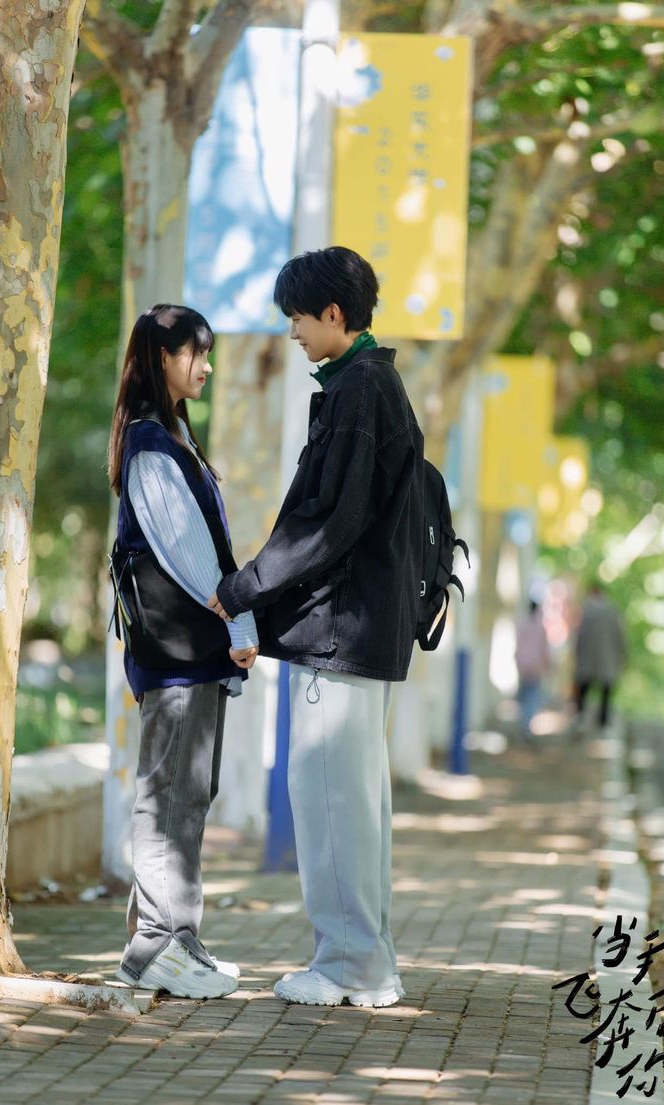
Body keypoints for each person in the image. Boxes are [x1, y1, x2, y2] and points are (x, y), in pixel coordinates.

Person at [209, 246, 425, 1008]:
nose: (292, 332)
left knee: (331, 799)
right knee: (355, 802)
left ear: (333, 313)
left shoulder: (359, 389)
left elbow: (327, 522)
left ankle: (348, 967)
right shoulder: (371, 382)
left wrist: (242, 588)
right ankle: (368, 960)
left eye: (298, 317)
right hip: (362, 631)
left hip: (341, 633)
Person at [107, 304, 259, 998]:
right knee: (168, 790)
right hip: (174, 649)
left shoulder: (171, 436)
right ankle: (153, 945)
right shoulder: (148, 442)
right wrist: (239, 622)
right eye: (194, 353)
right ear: (161, 355)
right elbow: (189, 552)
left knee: (190, 791)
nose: (204, 365)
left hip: (189, 651)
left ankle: (179, 937)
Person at [573, 582, 626, 730]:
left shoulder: (587, 611)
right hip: (606, 659)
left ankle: (581, 716)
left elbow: (579, 636)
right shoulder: (612, 612)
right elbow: (620, 636)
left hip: (588, 658)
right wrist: (622, 656)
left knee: (585, 687)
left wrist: (577, 654)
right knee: (605, 690)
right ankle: (602, 722)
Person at [514, 599, 550, 741]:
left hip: (523, 664)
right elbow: (544, 648)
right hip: (535, 666)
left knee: (524, 695)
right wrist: (547, 664)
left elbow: (518, 644)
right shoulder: (540, 627)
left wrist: (517, 660)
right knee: (532, 696)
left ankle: (524, 722)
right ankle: (526, 724)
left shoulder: (522, 625)